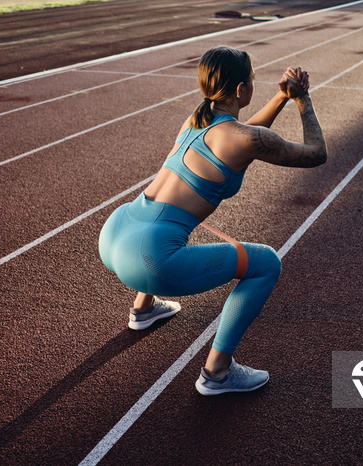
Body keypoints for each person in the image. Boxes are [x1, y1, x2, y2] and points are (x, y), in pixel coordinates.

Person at [99, 46, 326, 395]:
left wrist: (281, 96)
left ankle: (143, 309)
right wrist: (302, 99)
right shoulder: (243, 138)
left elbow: (246, 135)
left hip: (118, 232)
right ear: (241, 90)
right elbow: (317, 154)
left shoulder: (196, 120)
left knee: (172, 229)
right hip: (150, 259)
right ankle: (217, 373)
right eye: (251, 80)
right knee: (265, 263)